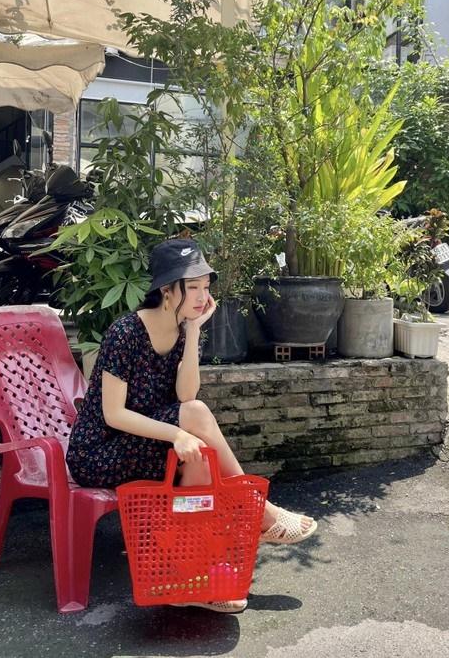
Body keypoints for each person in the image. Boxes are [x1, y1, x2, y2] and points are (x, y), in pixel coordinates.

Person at [66, 237, 317, 614]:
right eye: (193, 287)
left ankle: (191, 577)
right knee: (196, 417)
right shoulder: (125, 333)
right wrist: (178, 434)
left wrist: (195, 330)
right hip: (102, 451)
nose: (203, 296)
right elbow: (114, 415)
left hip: (148, 442)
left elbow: (185, 395)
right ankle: (258, 512)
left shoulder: (186, 330)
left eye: (206, 287)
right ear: (167, 291)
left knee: (198, 458)